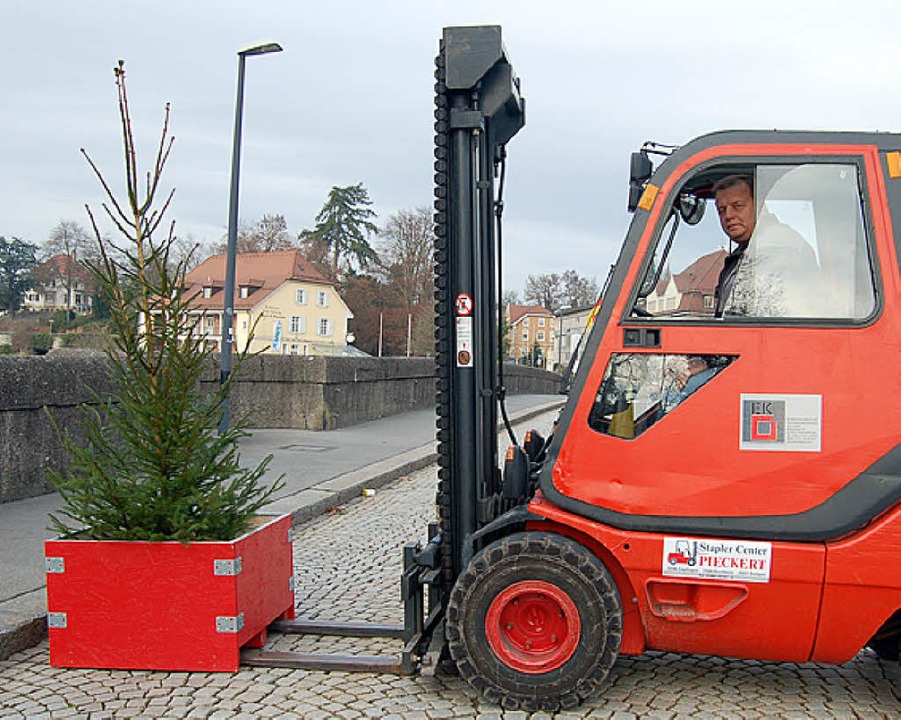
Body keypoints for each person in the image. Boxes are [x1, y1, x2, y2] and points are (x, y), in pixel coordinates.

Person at [713, 174, 819, 317]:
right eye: (722, 210)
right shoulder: (748, 251)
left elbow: (777, 315)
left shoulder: (779, 249)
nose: (728, 215)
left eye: (738, 206)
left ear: (760, 206)